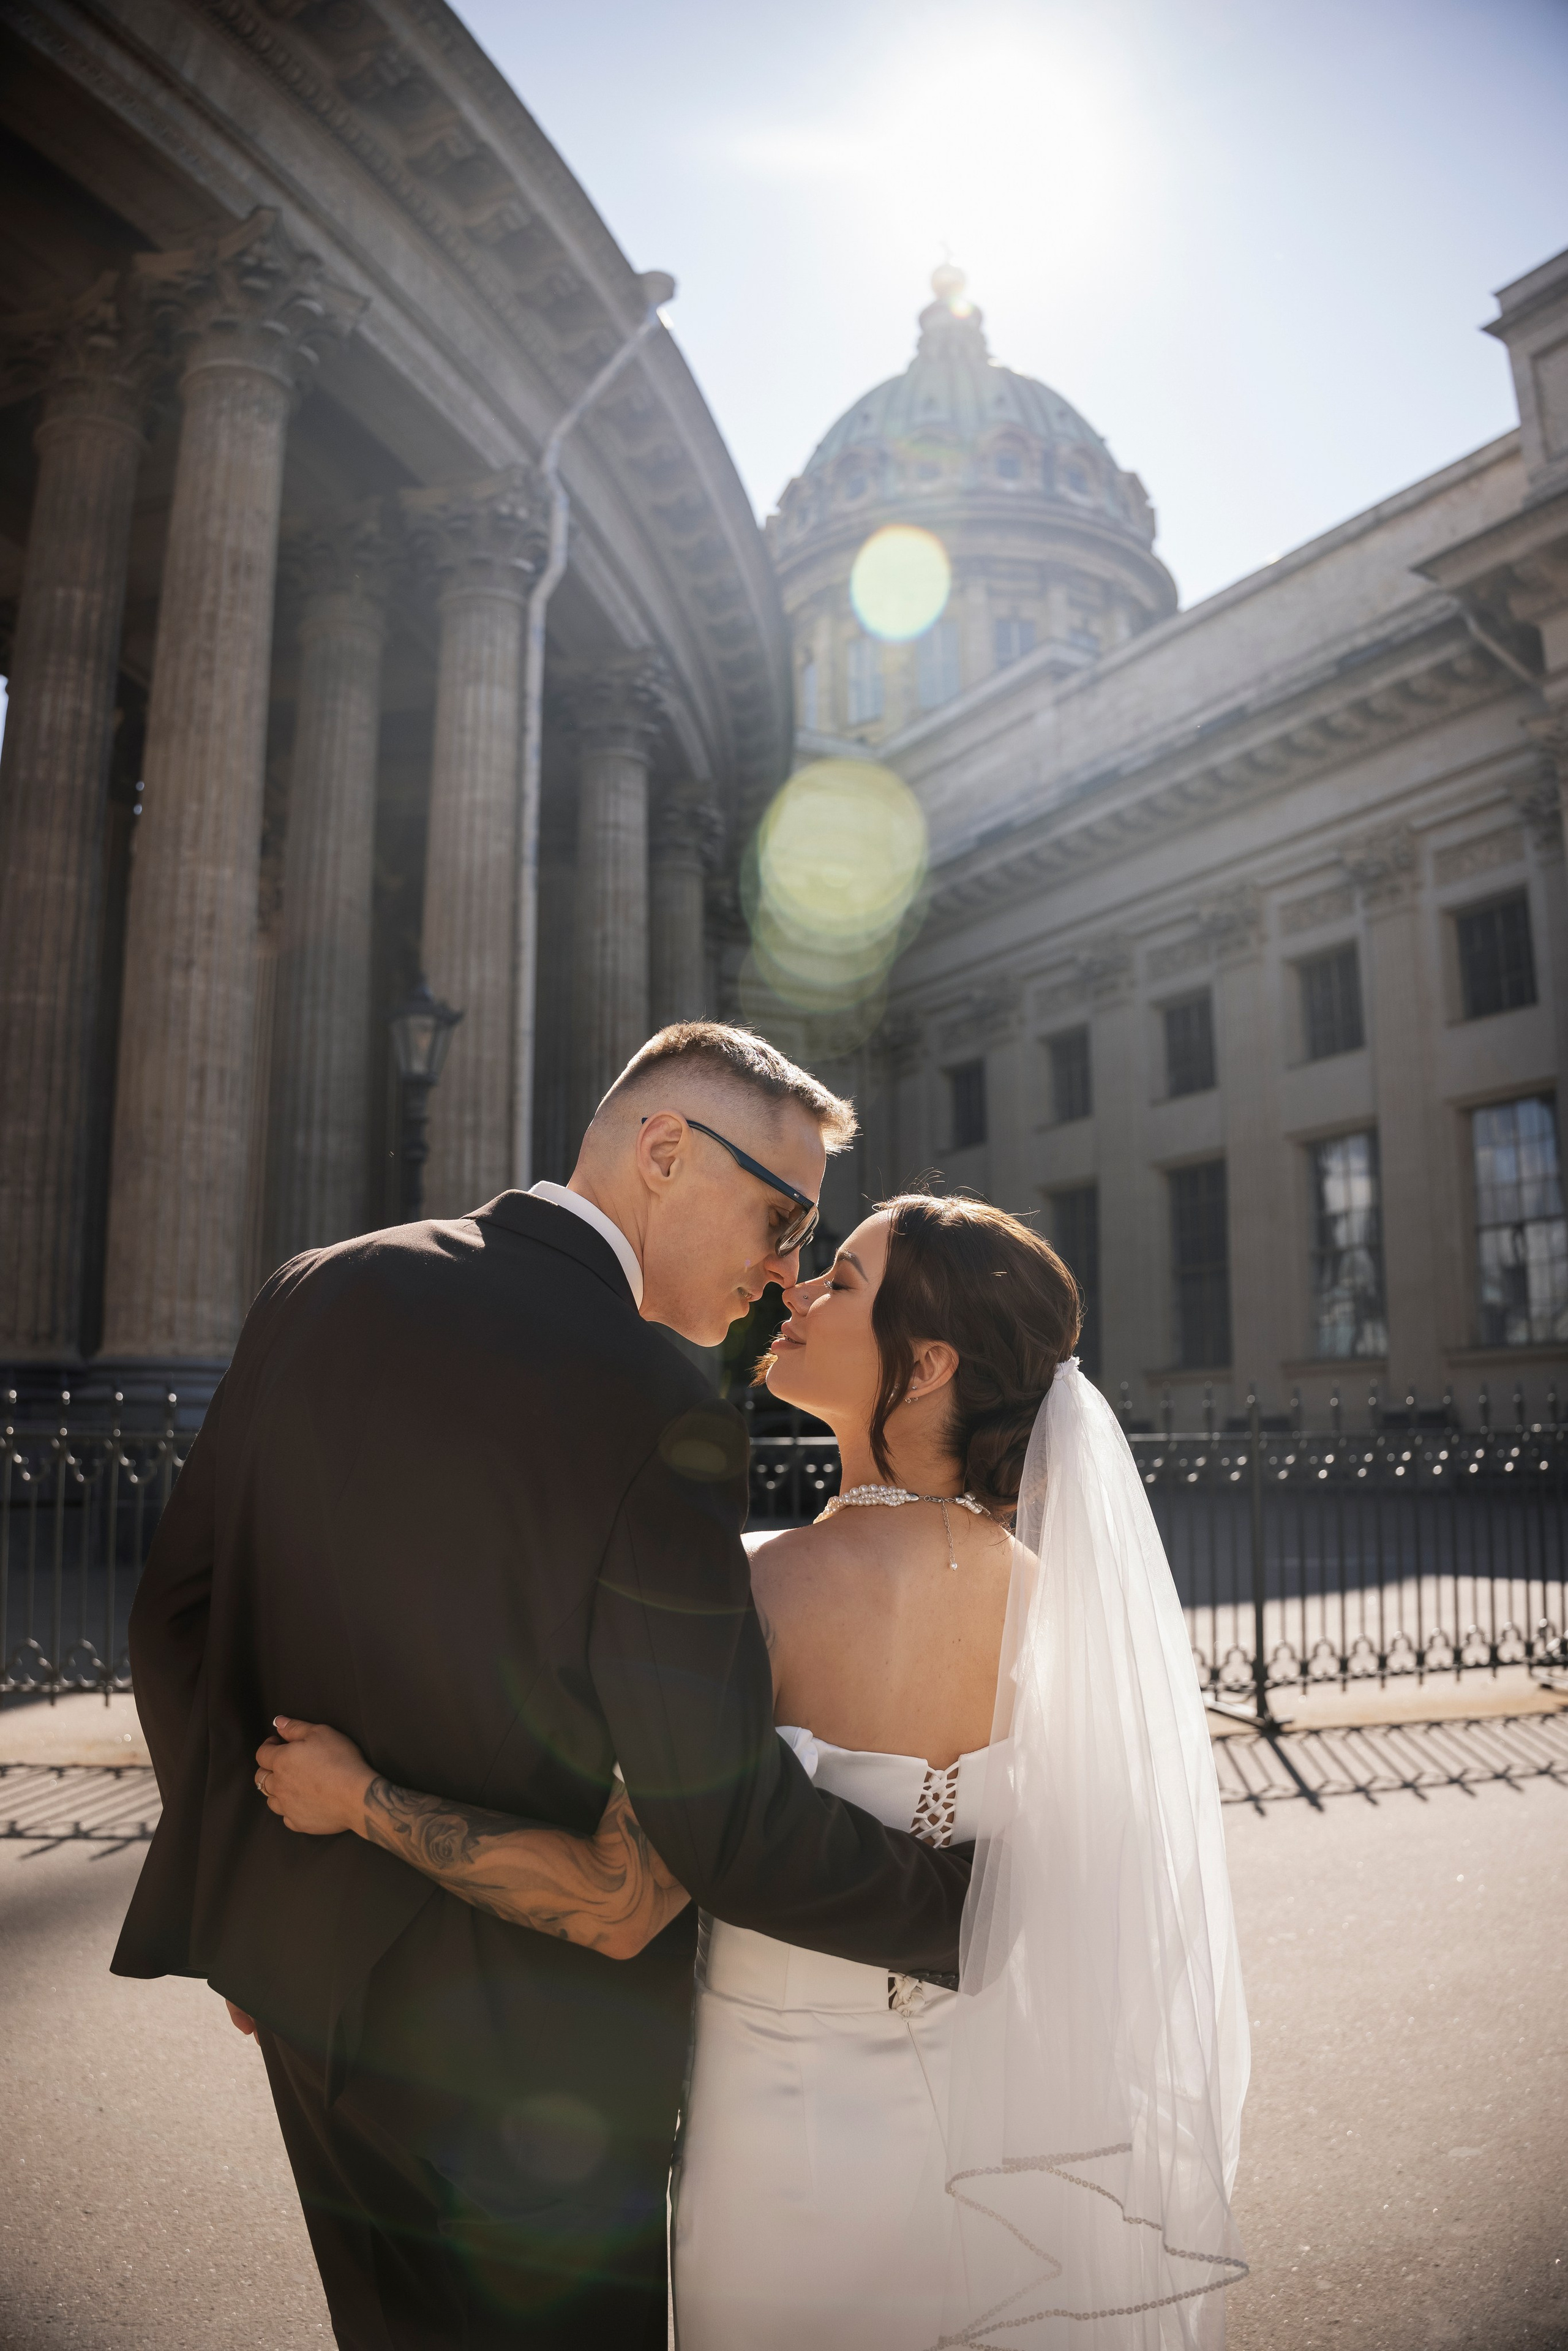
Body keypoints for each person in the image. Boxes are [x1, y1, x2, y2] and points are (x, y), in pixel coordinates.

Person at [261, 1192, 1251, 2349]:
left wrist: (359, 1801)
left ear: (925, 1363)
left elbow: (614, 1902)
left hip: (785, 2139)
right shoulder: (1063, 1606)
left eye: (843, 1283)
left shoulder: (756, 1588)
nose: (798, 1288)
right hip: (997, 2138)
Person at [113, 1025, 975, 2351]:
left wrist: (247, 1903)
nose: (781, 1270)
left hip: (309, 2006)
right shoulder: (658, 1404)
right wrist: (976, 1915)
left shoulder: (318, 1286)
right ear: (666, 1150)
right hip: (548, 2080)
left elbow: (177, 1618)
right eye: (781, 1216)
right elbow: (724, 1825)